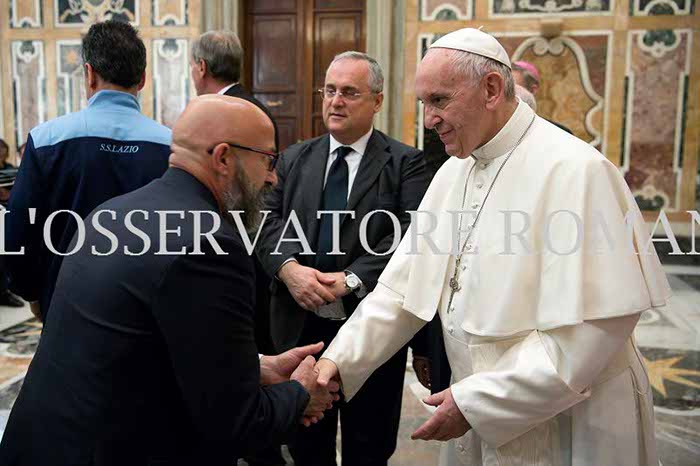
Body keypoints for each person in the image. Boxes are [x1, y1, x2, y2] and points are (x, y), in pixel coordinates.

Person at [316, 28, 670, 466]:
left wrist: (476, 402)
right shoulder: (454, 172)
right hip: (473, 405)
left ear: (491, 89)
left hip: (570, 419)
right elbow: (399, 291)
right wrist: (337, 361)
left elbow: (595, 329)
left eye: (439, 100)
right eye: (423, 103)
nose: (428, 120)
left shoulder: (578, 170)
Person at [0, 95, 339, 465]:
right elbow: (236, 424)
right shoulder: (209, 243)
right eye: (268, 160)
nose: (272, 177)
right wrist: (301, 393)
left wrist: (253, 367)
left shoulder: (111, 212)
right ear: (223, 158)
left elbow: (141, 347)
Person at [257, 51, 430, 466]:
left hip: (370, 328)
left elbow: (412, 233)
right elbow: (263, 221)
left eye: (350, 92)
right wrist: (289, 269)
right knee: (305, 446)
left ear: (377, 100)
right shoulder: (294, 158)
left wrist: (351, 278)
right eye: (330, 91)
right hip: (300, 329)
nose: (335, 101)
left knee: (368, 447)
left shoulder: (406, 163)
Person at [4, 20, 172, 322]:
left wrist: (32, 292)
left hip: (65, 302)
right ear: (143, 78)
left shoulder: (46, 140)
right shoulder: (172, 147)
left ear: (89, 74)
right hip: (149, 308)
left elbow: (20, 231)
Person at [190, 28, 285, 466]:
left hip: (232, 256)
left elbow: (257, 196)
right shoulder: (253, 108)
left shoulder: (225, 116)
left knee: (236, 364)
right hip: (244, 257)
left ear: (200, 67)